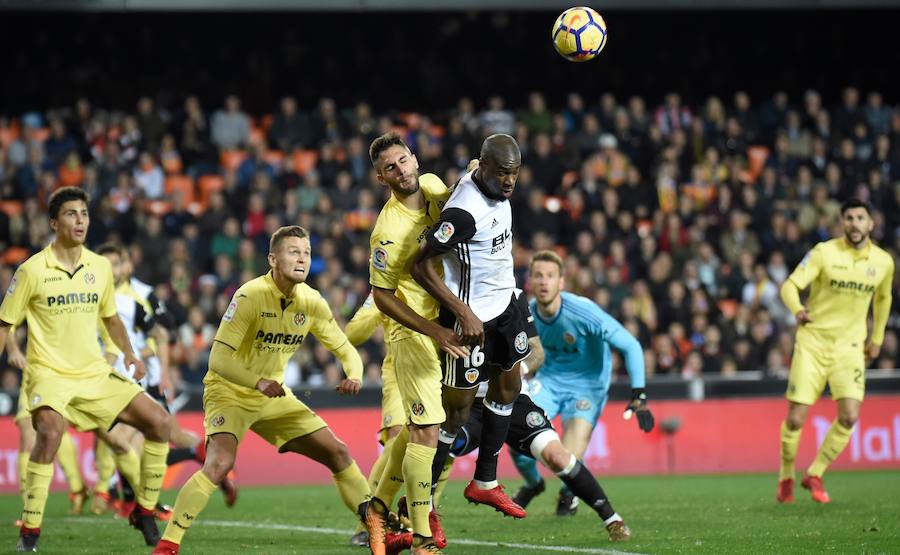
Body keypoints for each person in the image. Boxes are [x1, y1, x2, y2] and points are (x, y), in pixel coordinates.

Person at [152, 225, 375, 555]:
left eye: (307, 253)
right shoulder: (250, 296)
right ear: (273, 259)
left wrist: (354, 374)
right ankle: (168, 544)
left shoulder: (311, 301)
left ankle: (375, 531)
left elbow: (344, 348)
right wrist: (257, 382)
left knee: (338, 452)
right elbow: (218, 359)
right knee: (218, 464)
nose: (302, 259)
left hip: (274, 396)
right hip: (229, 391)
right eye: (293, 251)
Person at [0, 186, 172, 552]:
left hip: (93, 373)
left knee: (160, 422)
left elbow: (111, 319)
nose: (80, 221)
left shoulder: (100, 266)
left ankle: (144, 510)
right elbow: (4, 324)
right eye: (71, 214)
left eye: (84, 214)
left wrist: (130, 354)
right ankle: (30, 530)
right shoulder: (31, 270)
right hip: (49, 374)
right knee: (48, 434)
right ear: (53, 223)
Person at [411, 133, 533, 520]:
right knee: (458, 413)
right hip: (470, 321)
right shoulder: (462, 214)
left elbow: (471, 171)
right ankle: (424, 504)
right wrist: (461, 311)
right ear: (485, 166)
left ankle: (485, 482)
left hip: (505, 308)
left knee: (509, 388)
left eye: (515, 173)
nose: (510, 181)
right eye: (503, 173)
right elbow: (419, 266)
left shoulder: (491, 183)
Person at [361, 133, 467, 555]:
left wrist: (472, 177)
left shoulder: (434, 186)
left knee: (421, 427)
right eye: (391, 167)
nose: (402, 171)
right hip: (413, 332)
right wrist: (434, 329)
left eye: (404, 160)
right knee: (426, 432)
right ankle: (422, 535)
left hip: (447, 322)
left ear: (415, 158)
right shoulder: (386, 231)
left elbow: (457, 208)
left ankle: (377, 507)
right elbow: (382, 295)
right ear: (380, 177)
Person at [510, 250, 655, 516]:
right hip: (550, 382)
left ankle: (568, 494)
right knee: (516, 435)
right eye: (538, 276)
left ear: (561, 282)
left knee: (567, 461)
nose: (544, 282)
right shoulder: (526, 312)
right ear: (530, 281)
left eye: (550, 276)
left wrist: (639, 395)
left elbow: (631, 345)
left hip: (588, 386)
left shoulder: (583, 312)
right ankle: (533, 484)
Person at [776, 198, 894, 503]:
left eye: (860, 218)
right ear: (842, 223)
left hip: (850, 347)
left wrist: (877, 337)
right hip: (813, 343)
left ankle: (815, 473)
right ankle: (786, 475)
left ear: (871, 223)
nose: (855, 224)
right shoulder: (823, 253)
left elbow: (883, 300)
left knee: (850, 416)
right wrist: (798, 310)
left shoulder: (883, 262)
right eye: (849, 218)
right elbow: (789, 286)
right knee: (796, 419)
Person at [343, 292, 404, 547]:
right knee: (397, 441)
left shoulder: (445, 269)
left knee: (439, 449)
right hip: (400, 370)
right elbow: (353, 333)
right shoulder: (387, 280)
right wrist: (382, 299)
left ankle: (421, 521)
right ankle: (368, 524)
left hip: (442, 368)